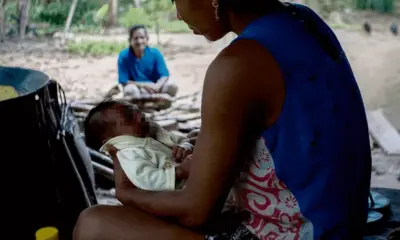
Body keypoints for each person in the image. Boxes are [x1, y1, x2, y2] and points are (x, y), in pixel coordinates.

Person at [74, 1, 371, 240]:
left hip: (296, 232)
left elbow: (196, 212)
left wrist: (129, 194)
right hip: (341, 223)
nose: (177, 14)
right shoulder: (302, 19)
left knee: (93, 225)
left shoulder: (237, 64)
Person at [84, 100, 193, 190]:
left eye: (138, 111)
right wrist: (179, 172)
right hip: (178, 194)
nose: (140, 116)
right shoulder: (129, 154)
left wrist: (185, 147)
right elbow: (148, 180)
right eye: (129, 117)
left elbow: (182, 140)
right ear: (113, 138)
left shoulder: (154, 132)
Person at [118, 25, 178, 98]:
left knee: (172, 86)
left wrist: (157, 86)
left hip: (155, 88)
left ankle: (159, 103)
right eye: (136, 38)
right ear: (130, 40)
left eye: (142, 37)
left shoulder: (155, 53)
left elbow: (164, 75)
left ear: (147, 39)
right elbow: (123, 81)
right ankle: (138, 107)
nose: (139, 41)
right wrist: (144, 85)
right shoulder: (124, 56)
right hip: (137, 89)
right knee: (130, 90)